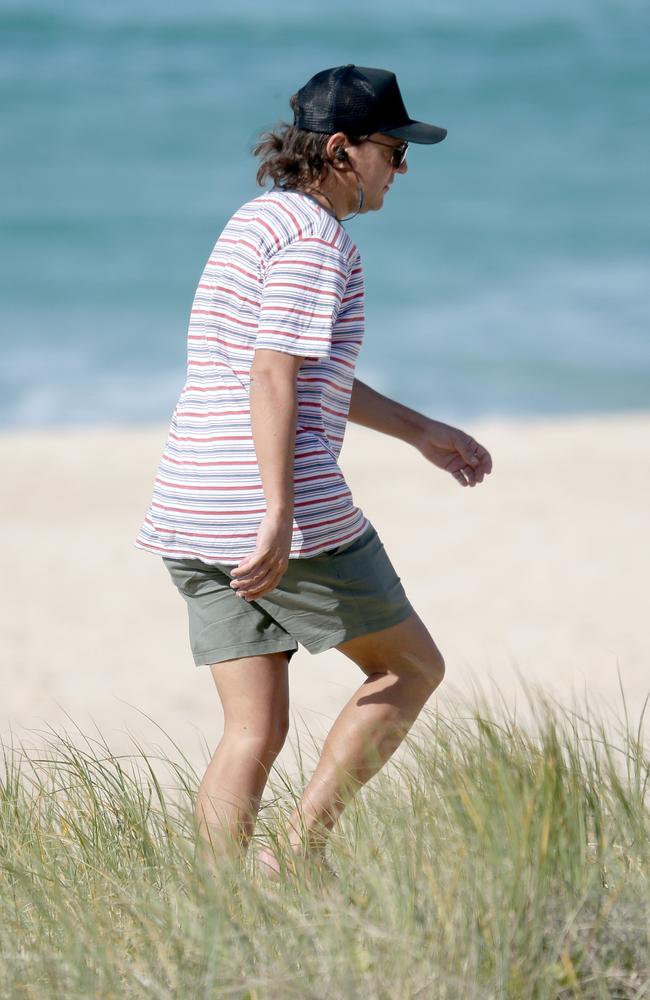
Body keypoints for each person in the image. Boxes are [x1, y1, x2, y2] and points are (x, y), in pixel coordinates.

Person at [135, 65, 492, 877]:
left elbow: (308, 367)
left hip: (190, 506)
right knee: (410, 668)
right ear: (340, 150)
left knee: (252, 730)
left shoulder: (256, 220)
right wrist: (276, 512)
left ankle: (218, 908)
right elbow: (273, 374)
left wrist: (420, 431)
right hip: (271, 512)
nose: (402, 170)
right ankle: (298, 856)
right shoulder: (317, 240)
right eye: (393, 151)